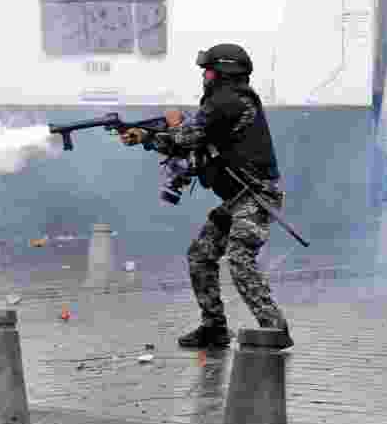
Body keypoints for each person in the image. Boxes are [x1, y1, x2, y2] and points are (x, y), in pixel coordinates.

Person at [119, 43, 292, 349]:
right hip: (237, 198)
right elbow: (194, 138)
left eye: (209, 71)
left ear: (224, 73)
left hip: (255, 196)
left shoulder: (229, 101)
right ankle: (214, 328)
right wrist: (155, 135)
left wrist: (147, 137)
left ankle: (274, 328)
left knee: (240, 260)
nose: (205, 77)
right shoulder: (225, 101)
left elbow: (188, 137)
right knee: (201, 255)